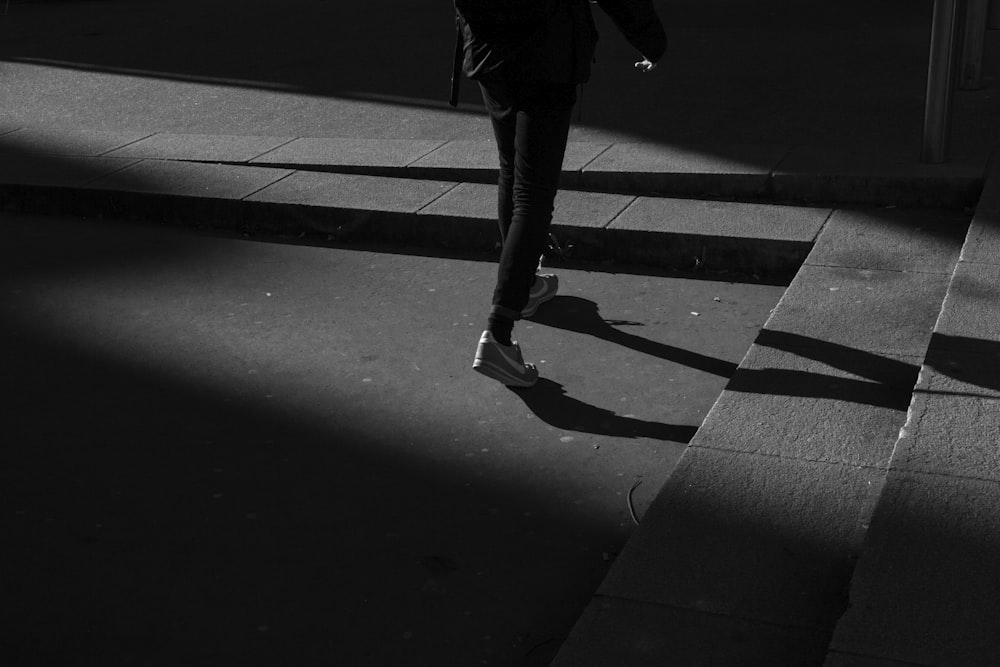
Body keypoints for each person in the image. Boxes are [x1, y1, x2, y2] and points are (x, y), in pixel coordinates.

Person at [451, 0, 666, 388]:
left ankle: (525, 285)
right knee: (532, 192)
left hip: (488, 45)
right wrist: (650, 40)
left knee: (512, 170)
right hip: (547, 52)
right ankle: (498, 333)